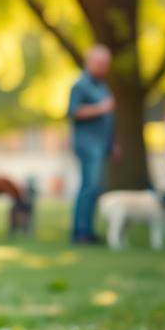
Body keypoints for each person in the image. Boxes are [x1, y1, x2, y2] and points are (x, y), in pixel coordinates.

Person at [67, 45, 116, 245]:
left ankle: (88, 229)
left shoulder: (102, 86)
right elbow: (73, 112)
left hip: (102, 144)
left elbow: (109, 117)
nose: (104, 67)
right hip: (87, 144)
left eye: (106, 64)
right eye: (100, 63)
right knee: (90, 186)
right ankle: (80, 232)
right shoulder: (80, 85)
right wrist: (100, 108)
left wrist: (113, 143)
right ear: (89, 62)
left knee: (95, 187)